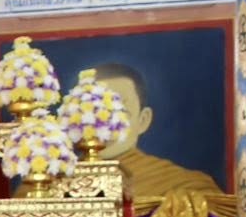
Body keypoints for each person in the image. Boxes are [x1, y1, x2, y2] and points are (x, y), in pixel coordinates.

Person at [91, 61, 224, 199]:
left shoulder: (183, 186)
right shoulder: (68, 180)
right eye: (93, 114)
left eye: (119, 114)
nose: (105, 128)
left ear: (143, 120)